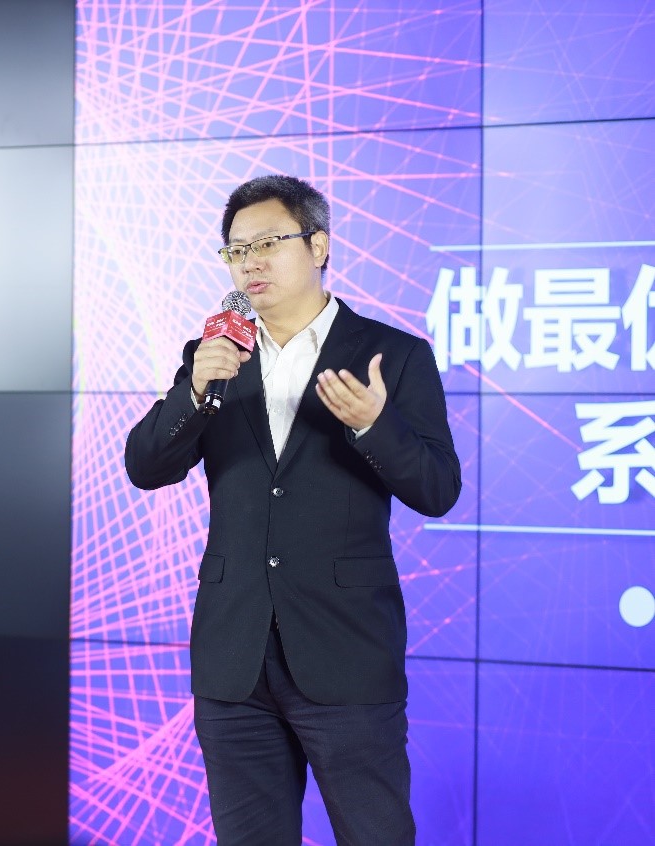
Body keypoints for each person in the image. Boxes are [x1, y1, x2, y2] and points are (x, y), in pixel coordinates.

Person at [124, 175, 461, 845]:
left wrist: (374, 426)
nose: (250, 262)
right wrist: (195, 392)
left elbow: (438, 489)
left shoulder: (393, 356)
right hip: (234, 658)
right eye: (236, 250)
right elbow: (146, 466)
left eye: (268, 243)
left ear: (319, 246)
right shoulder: (215, 356)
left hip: (344, 653)